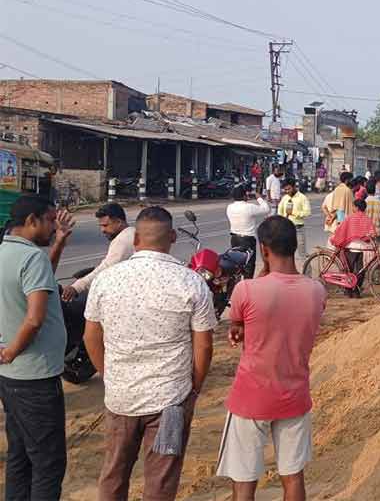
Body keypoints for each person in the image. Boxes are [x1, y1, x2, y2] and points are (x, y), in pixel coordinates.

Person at [84, 207, 217, 501]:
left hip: (121, 399)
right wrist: (194, 386)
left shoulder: (107, 280)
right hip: (170, 402)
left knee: (114, 473)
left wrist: (110, 374)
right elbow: (204, 345)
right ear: (171, 237)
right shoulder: (191, 282)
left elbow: (91, 337)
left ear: (135, 240)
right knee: (161, 478)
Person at [215, 216, 325, 500]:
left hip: (251, 396)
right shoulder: (317, 291)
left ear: (264, 249)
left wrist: (239, 330)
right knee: (293, 477)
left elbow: (238, 323)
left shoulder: (246, 290)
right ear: (292, 245)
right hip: (294, 395)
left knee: (244, 482)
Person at [0, 195, 72, 500]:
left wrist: (59, 243)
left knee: (20, 452)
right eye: (50, 220)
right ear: (32, 221)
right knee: (48, 462)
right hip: (35, 376)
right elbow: (34, 319)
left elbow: (37, 284)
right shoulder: (32, 258)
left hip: (11, 377)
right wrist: (12, 350)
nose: (53, 226)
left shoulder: (7, 253)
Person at [62, 203, 135, 301]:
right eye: (101, 226)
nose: (102, 230)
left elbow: (106, 268)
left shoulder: (123, 240)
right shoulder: (131, 233)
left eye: (105, 225)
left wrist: (77, 287)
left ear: (119, 222)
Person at [330, 199, 377, 298]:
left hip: (350, 247)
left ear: (356, 208)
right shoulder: (367, 219)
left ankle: (348, 290)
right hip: (362, 248)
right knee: (360, 270)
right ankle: (356, 291)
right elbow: (372, 232)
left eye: (353, 207)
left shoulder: (350, 218)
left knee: (348, 270)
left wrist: (335, 238)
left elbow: (341, 230)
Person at [227, 186, 270, 278]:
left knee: (236, 264)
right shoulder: (249, 207)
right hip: (247, 240)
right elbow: (266, 209)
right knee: (249, 266)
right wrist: (259, 198)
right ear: (244, 195)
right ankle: (247, 285)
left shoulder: (229, 207)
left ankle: (236, 284)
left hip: (234, 239)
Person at [278, 178, 312, 264]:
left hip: (298, 228)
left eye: (289, 189)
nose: (287, 191)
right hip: (286, 229)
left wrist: (293, 213)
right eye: (285, 189)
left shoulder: (302, 198)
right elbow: (280, 211)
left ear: (294, 187)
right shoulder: (285, 198)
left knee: (302, 254)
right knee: (286, 253)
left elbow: (307, 212)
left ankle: (307, 275)